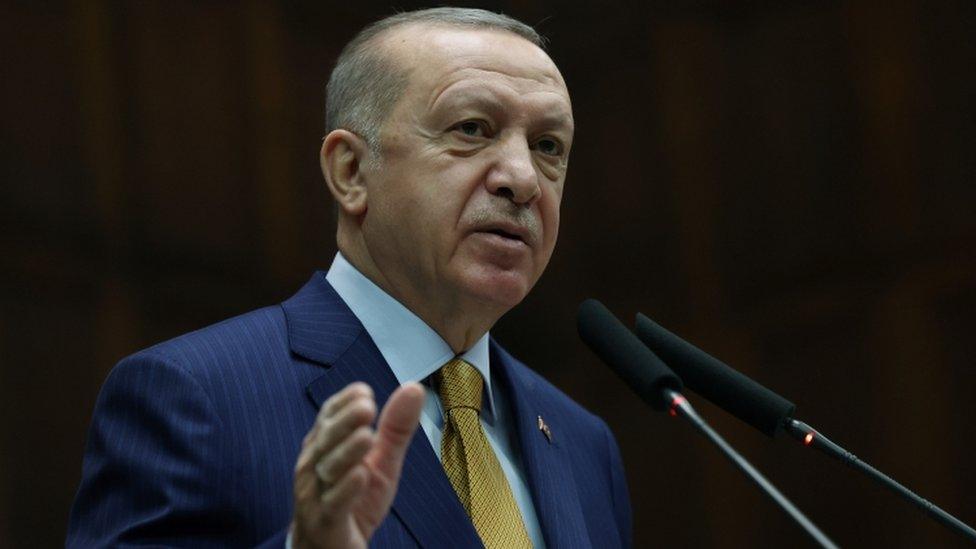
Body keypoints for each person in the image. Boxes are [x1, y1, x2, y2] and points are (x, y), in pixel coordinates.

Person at [67, 8, 632, 548]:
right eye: (472, 128)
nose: (523, 178)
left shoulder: (584, 443)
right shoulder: (193, 395)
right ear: (351, 172)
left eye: (547, 146)